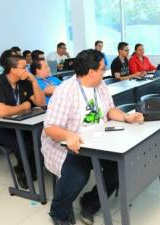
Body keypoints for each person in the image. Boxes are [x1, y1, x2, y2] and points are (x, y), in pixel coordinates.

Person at [41, 49, 144, 225]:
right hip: (71, 145)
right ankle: (58, 212)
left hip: (100, 141)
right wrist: (68, 134)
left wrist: (126, 117)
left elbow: (110, 110)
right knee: (78, 176)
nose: (104, 72)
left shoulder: (100, 85)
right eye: (102, 69)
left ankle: (90, 203)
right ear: (91, 72)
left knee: (118, 169)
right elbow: (50, 127)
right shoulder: (65, 91)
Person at [0, 55, 46, 189]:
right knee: (22, 142)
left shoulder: (24, 82)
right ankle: (23, 171)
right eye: (24, 68)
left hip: (18, 123)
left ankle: (32, 168)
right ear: (12, 69)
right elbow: (1, 112)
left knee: (40, 137)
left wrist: (34, 82)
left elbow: (41, 103)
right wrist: (24, 106)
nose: (26, 71)